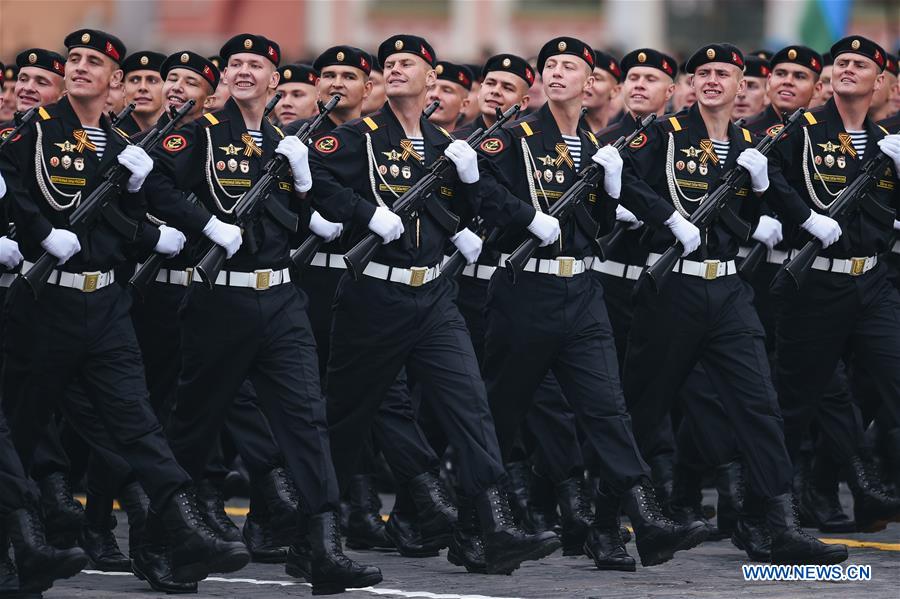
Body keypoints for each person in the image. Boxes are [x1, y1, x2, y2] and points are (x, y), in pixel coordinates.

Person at [0, 27, 250, 587]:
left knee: (137, 421)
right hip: (44, 303)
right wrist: (38, 231)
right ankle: (18, 543)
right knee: (20, 428)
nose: (80, 67)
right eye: (75, 59)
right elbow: (11, 191)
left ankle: (183, 528)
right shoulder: (31, 134)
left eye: (94, 62)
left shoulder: (119, 147)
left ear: (115, 80)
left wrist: (141, 207)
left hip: (105, 302)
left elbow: (122, 228)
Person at [309, 33, 560, 576]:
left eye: (410, 63)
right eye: (390, 64)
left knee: (470, 407)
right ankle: (317, 538)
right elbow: (315, 183)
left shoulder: (448, 145)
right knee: (347, 422)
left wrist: (473, 183)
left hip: (435, 294)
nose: (397, 69)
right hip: (373, 293)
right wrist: (360, 211)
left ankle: (490, 528)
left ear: (431, 79)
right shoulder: (355, 137)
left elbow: (484, 203)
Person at [476, 36, 709, 569]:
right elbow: (482, 191)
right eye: (550, 66)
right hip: (525, 289)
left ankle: (640, 519)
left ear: (592, 84)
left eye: (570, 67)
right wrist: (522, 216)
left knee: (607, 409)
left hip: (582, 290)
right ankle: (478, 524)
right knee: (502, 412)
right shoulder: (513, 138)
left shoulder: (598, 147)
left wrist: (661, 217)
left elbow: (617, 205)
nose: (557, 73)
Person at [619, 42, 848, 566]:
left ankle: (779, 523)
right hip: (671, 287)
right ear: (692, 83)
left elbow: (779, 192)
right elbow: (624, 183)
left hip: (727, 289)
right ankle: (608, 519)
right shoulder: (665, 132)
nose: (712, 81)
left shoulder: (750, 139)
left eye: (723, 73)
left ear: (742, 83)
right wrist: (663, 215)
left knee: (758, 404)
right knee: (644, 406)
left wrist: (787, 207)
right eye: (703, 73)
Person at [769, 35, 900, 534]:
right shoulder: (801, 129)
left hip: (873, 282)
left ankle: (830, 484)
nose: (847, 68)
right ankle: (770, 508)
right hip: (817, 284)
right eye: (840, 62)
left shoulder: (886, 142)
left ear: (881, 81)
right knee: (795, 404)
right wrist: (804, 216)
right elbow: (764, 180)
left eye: (860, 64)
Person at [426, 61, 472, 132]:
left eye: (447, 91)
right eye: (430, 88)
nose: (435, 95)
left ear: (464, 105)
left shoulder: (465, 142)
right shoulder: (404, 138)